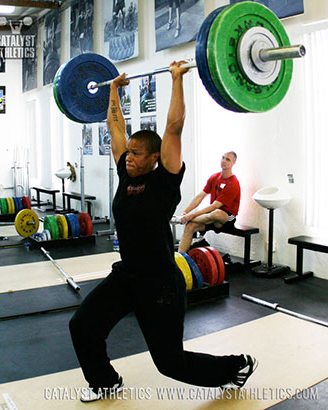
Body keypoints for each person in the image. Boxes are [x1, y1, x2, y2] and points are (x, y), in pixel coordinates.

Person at [69, 63, 257, 403]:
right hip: (128, 275)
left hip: (160, 283)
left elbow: (174, 126)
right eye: (129, 152)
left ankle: (236, 367)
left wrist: (176, 79)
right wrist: (113, 89)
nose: (129, 158)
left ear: (155, 158)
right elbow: (115, 127)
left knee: (170, 363)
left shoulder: (165, 180)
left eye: (137, 154)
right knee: (82, 325)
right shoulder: (126, 174)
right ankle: (104, 381)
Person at [174, 151, 240, 253]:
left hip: (226, 219)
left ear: (233, 163)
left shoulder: (233, 183)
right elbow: (200, 196)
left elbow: (215, 206)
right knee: (190, 226)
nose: (223, 161)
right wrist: (186, 212)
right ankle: (180, 258)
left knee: (216, 213)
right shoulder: (215, 177)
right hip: (211, 218)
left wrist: (191, 216)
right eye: (223, 157)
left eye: (228, 159)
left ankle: (184, 219)